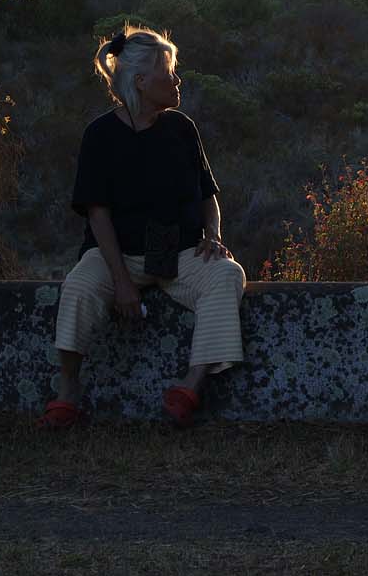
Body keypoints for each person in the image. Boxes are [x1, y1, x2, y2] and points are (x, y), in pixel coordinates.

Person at [38, 24, 245, 428]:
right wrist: (121, 281)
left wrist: (214, 237)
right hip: (117, 252)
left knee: (226, 275)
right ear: (141, 81)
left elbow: (208, 195)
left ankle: (191, 384)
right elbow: (97, 214)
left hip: (178, 252)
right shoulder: (100, 135)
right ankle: (67, 391)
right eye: (169, 72)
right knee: (79, 286)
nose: (177, 80)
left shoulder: (182, 129)